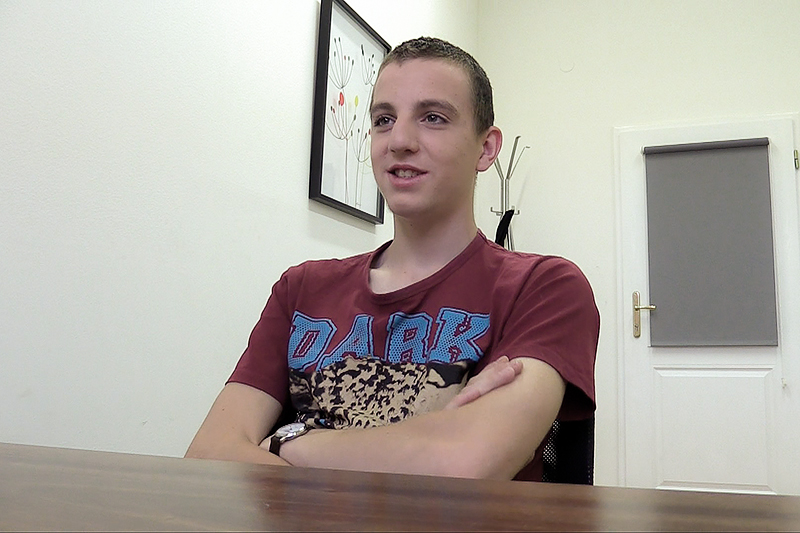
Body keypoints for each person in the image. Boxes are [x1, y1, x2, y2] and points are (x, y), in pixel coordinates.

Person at [185, 36, 599, 481]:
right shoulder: (301, 290)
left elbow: (463, 463)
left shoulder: (544, 287)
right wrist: (429, 438)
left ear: (486, 148)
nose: (399, 141)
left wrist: (288, 441)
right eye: (384, 119)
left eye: (433, 117)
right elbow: (209, 453)